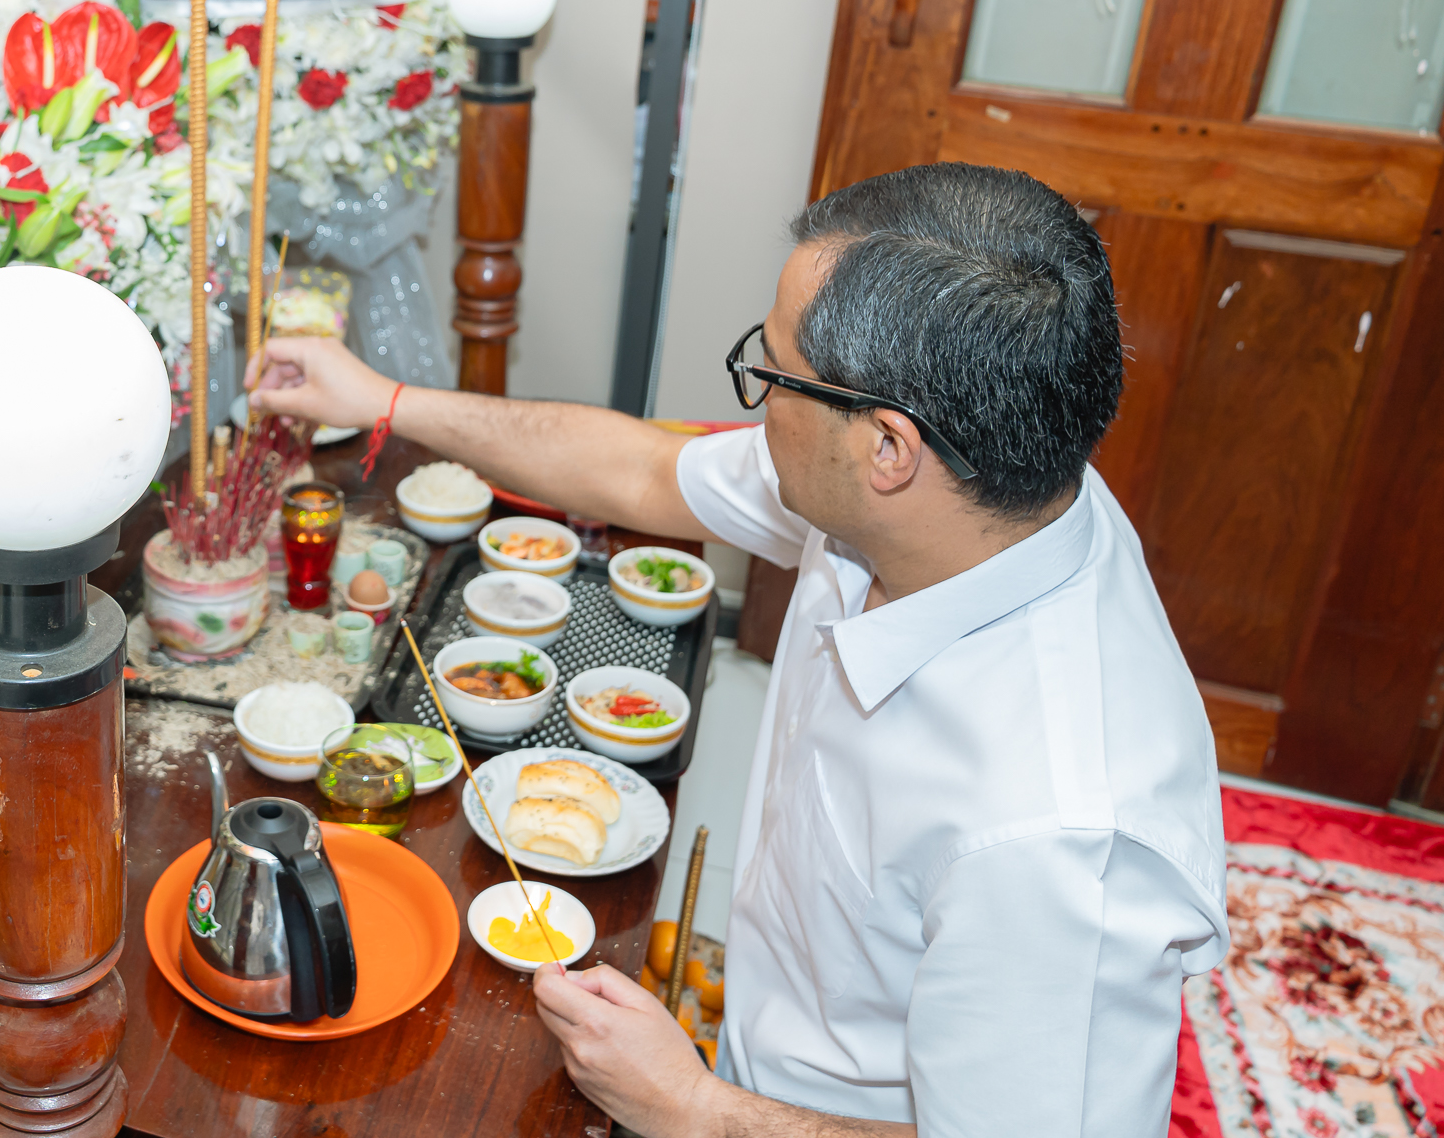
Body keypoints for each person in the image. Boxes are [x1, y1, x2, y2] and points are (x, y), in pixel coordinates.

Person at [245, 162, 1226, 1137]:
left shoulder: (1057, 838)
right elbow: (638, 470)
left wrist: (694, 1107)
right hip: (759, 1038)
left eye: (774, 372)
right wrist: (385, 397)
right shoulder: (970, 491)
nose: (756, 400)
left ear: (888, 449)